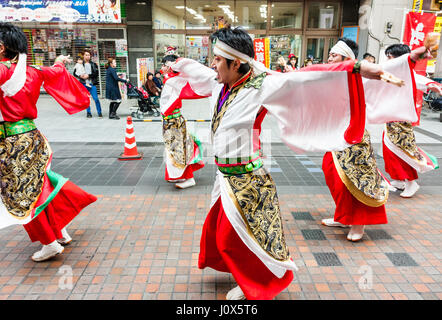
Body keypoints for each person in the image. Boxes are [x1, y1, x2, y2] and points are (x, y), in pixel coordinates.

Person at [161, 26, 419, 300]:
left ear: (235, 63)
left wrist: (357, 68)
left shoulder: (262, 85)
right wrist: (177, 65)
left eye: (217, 59)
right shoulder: (218, 81)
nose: (212, 64)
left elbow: (306, 79)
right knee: (228, 233)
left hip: (247, 178)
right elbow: (195, 73)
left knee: (237, 235)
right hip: (223, 176)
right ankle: (244, 276)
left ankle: (257, 286)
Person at [0, 22, 97, 262]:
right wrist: (60, 61)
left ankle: (50, 242)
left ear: (2, 47)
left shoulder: (1, 70)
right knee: (39, 189)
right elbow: (57, 71)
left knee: (25, 196)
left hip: (14, 144)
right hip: (33, 140)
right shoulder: (31, 70)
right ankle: (58, 231)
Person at [320, 37, 430, 241]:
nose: (329, 57)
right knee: (332, 172)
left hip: (355, 136)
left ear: (347, 57)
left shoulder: (360, 74)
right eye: (330, 54)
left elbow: (390, 69)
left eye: (333, 54)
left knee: (357, 178)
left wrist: (415, 55)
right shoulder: (330, 76)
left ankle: (359, 224)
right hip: (335, 135)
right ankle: (343, 215)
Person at [381, 43, 439, 198]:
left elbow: (425, 82)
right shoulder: (389, 73)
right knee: (389, 150)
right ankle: (400, 180)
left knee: (402, 150)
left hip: (401, 121)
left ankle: (411, 182)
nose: (388, 60)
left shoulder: (408, 75)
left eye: (390, 57)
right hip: (390, 120)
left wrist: (435, 86)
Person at [159, 55, 205, 189]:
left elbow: (173, 100)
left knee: (179, 149)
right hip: (171, 120)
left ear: (169, 67)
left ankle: (189, 178)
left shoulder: (174, 81)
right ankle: (180, 176)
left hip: (173, 120)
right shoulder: (170, 80)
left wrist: (165, 112)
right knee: (175, 149)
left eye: (164, 65)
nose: (162, 68)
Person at [73, 49, 102, 118]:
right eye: (86, 55)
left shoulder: (93, 64)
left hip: (92, 84)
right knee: (86, 99)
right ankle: (88, 113)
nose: (87, 56)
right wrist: (80, 76)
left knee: (96, 99)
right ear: (83, 56)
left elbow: (96, 74)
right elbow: (74, 73)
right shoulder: (80, 64)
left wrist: (88, 75)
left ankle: (99, 112)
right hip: (83, 84)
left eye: (88, 55)